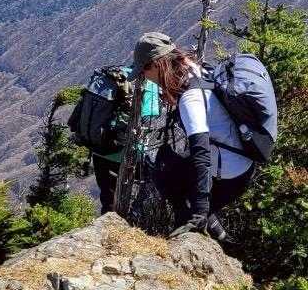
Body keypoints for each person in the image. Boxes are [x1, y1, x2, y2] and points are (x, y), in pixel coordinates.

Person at [130, 31, 255, 243]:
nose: (144, 76)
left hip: (230, 174)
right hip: (242, 163)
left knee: (164, 172)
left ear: (156, 65)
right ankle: (216, 231)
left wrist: (200, 211)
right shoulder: (193, 69)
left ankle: (189, 229)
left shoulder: (191, 98)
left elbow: (201, 153)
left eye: (143, 70)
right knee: (169, 161)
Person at [90, 67, 160, 214]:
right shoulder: (150, 83)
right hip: (124, 151)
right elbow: (150, 119)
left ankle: (108, 225)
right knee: (153, 184)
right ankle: (135, 216)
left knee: (108, 201)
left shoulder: (117, 75)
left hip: (100, 148)